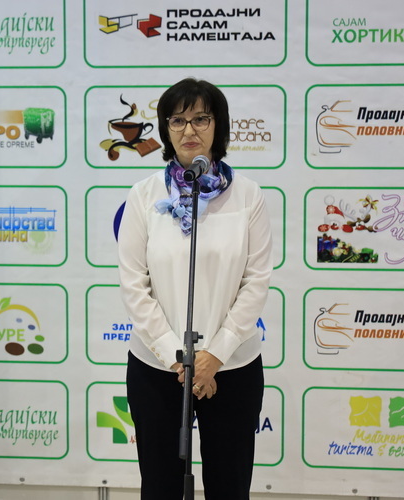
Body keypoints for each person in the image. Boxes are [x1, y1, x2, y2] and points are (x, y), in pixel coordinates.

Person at [117, 78, 272, 499]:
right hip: (158, 367)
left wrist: (214, 355)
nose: (189, 130)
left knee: (229, 486)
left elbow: (256, 281)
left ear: (218, 125)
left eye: (201, 119)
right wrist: (177, 357)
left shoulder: (248, 196)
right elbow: (134, 284)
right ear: (165, 129)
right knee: (161, 487)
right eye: (178, 120)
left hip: (232, 366)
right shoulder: (143, 195)